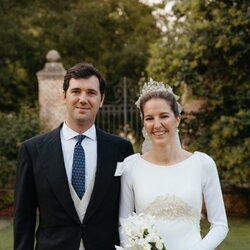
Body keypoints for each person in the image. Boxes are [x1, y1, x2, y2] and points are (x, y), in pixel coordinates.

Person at [14, 63, 134, 250]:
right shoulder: (32, 150)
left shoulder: (121, 149)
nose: (83, 99)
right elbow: (24, 218)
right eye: (76, 91)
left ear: (101, 100)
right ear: (64, 96)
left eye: (91, 93)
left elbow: (128, 212)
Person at [118, 79, 228, 250]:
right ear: (143, 123)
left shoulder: (202, 164)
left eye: (164, 116)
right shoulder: (131, 167)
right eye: (149, 118)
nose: (156, 124)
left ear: (177, 119)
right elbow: (123, 224)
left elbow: (220, 225)